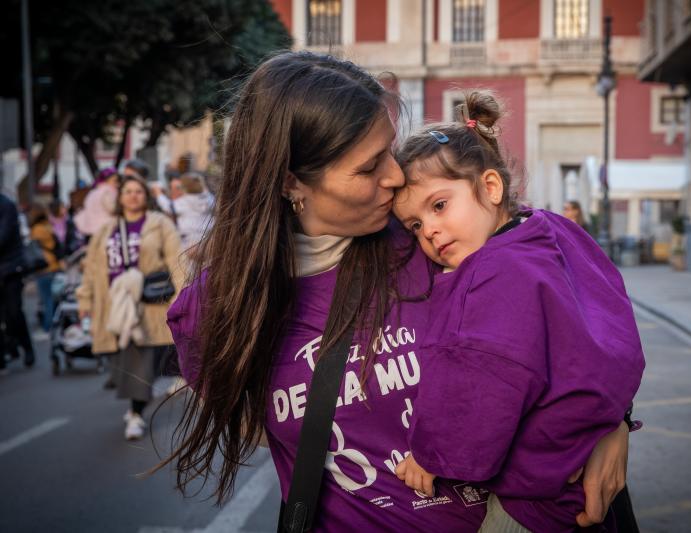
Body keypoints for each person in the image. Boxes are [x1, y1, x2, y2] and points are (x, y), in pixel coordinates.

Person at [162, 51, 632, 530]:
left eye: (389, 150)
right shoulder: (216, 310)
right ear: (291, 181)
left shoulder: (437, 241)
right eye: (369, 168)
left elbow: (573, 312)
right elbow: (264, 432)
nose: (394, 176)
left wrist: (611, 421)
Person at [391, 91, 645, 532]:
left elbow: (479, 379)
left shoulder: (488, 273)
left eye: (438, 206)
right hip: (584, 464)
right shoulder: (553, 229)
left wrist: (432, 455)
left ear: (491, 187)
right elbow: (614, 308)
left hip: (536, 497)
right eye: (414, 225)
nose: (428, 230)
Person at [76, 175, 183, 440]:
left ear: (145, 196)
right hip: (113, 305)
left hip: (149, 306)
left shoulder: (160, 225)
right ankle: (138, 396)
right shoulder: (106, 228)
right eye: (128, 192)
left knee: (141, 361)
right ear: (120, 197)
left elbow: (176, 261)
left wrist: (181, 297)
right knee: (121, 360)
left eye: (138, 191)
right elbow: (91, 267)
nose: (133, 196)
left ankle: (136, 413)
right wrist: (85, 300)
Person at [0, 193, 36, 373]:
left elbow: (3, 236)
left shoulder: (6, 205)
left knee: (14, 312)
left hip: (11, 269)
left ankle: (26, 347)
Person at [153, 172, 214, 252]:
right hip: (208, 239)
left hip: (188, 240)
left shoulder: (184, 202)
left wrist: (158, 193)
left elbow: (167, 206)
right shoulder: (210, 198)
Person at [28, 204, 62, 332]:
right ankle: (52, 324)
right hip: (53, 266)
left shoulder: (36, 229)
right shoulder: (48, 227)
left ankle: (48, 326)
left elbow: (33, 247)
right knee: (52, 299)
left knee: (47, 300)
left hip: (43, 267)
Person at [74, 167, 120, 237]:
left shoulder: (93, 192)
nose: (117, 184)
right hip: (105, 229)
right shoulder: (108, 191)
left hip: (91, 228)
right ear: (107, 180)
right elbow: (112, 208)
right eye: (114, 181)